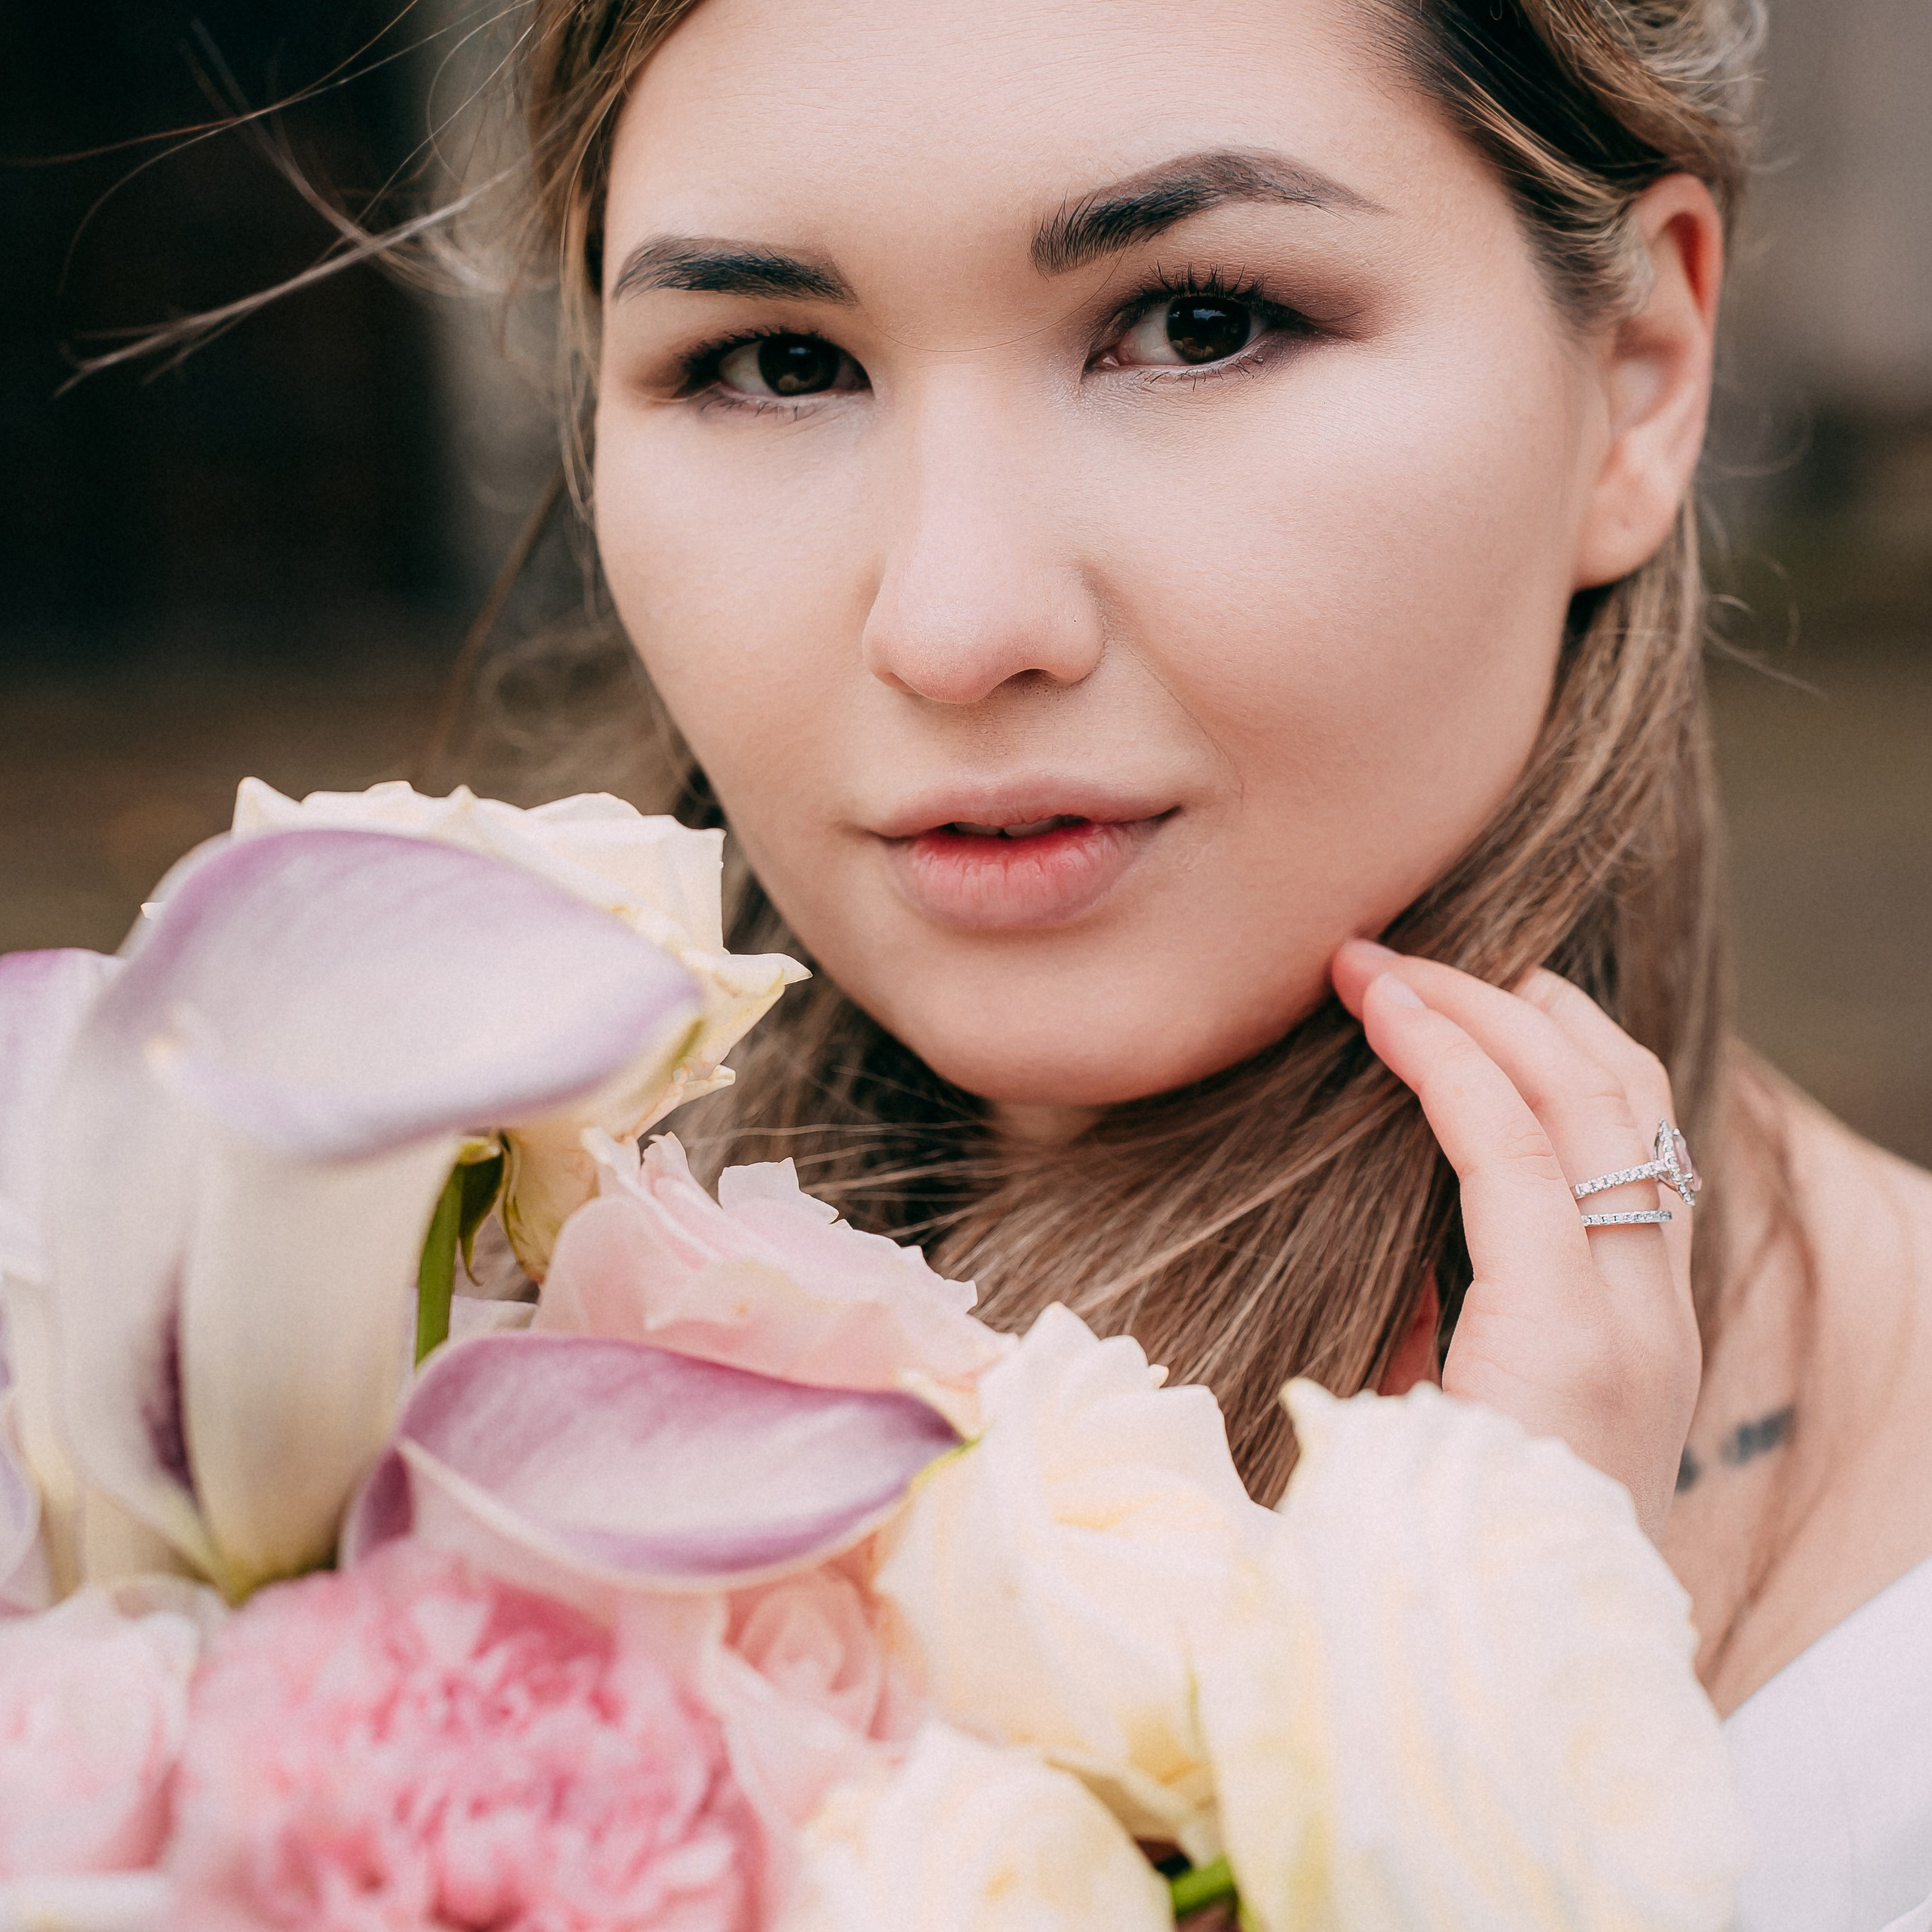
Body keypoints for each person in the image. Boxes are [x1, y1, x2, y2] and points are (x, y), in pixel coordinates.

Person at [162, 0, 1932, 1920]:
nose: (952, 618)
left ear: (1640, 374)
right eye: (775, 361)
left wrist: (1499, 1697)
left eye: (1197, 322)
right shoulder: (278, 1374)